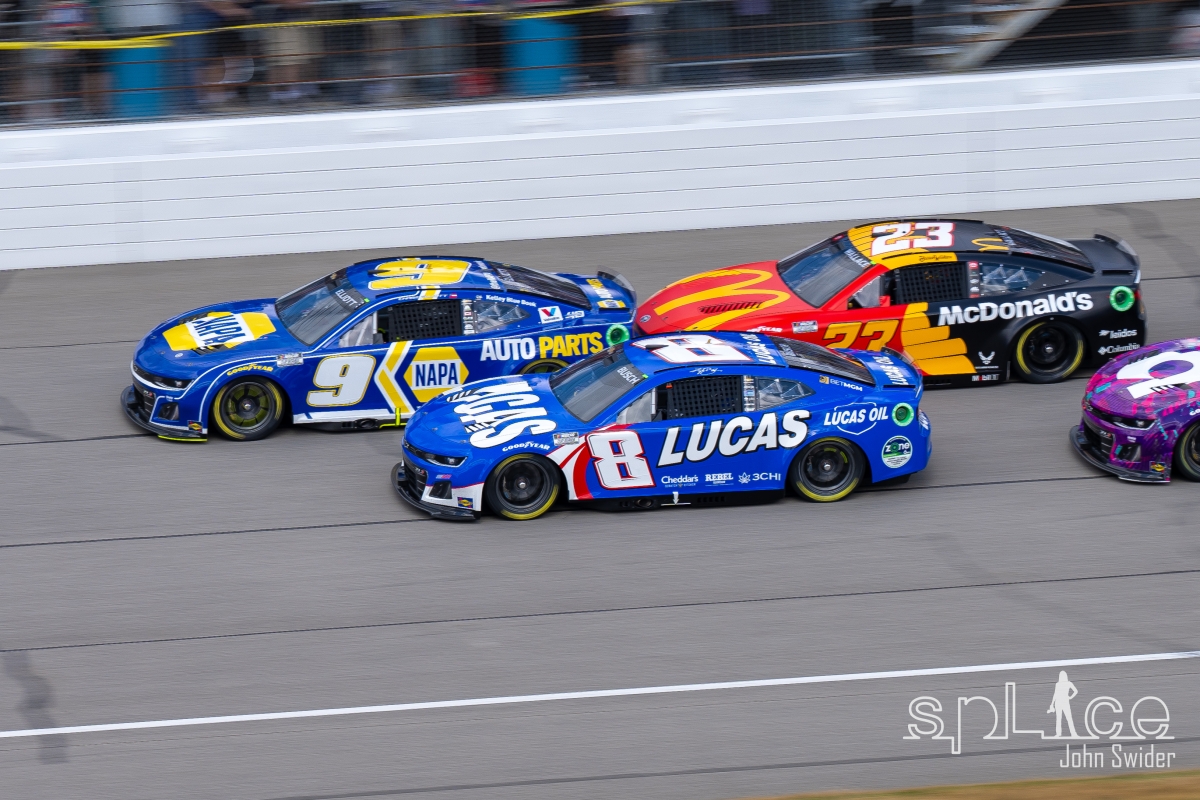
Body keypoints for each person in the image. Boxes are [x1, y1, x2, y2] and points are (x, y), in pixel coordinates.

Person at [1047, 670, 1079, 738]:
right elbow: (1075, 691)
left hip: (1058, 702)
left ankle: (1058, 734)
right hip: (1065, 701)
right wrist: (1070, 697)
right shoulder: (1068, 683)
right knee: (1069, 718)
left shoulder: (1058, 684)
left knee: (1059, 718)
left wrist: (1052, 703)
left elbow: (1055, 694)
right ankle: (1073, 734)